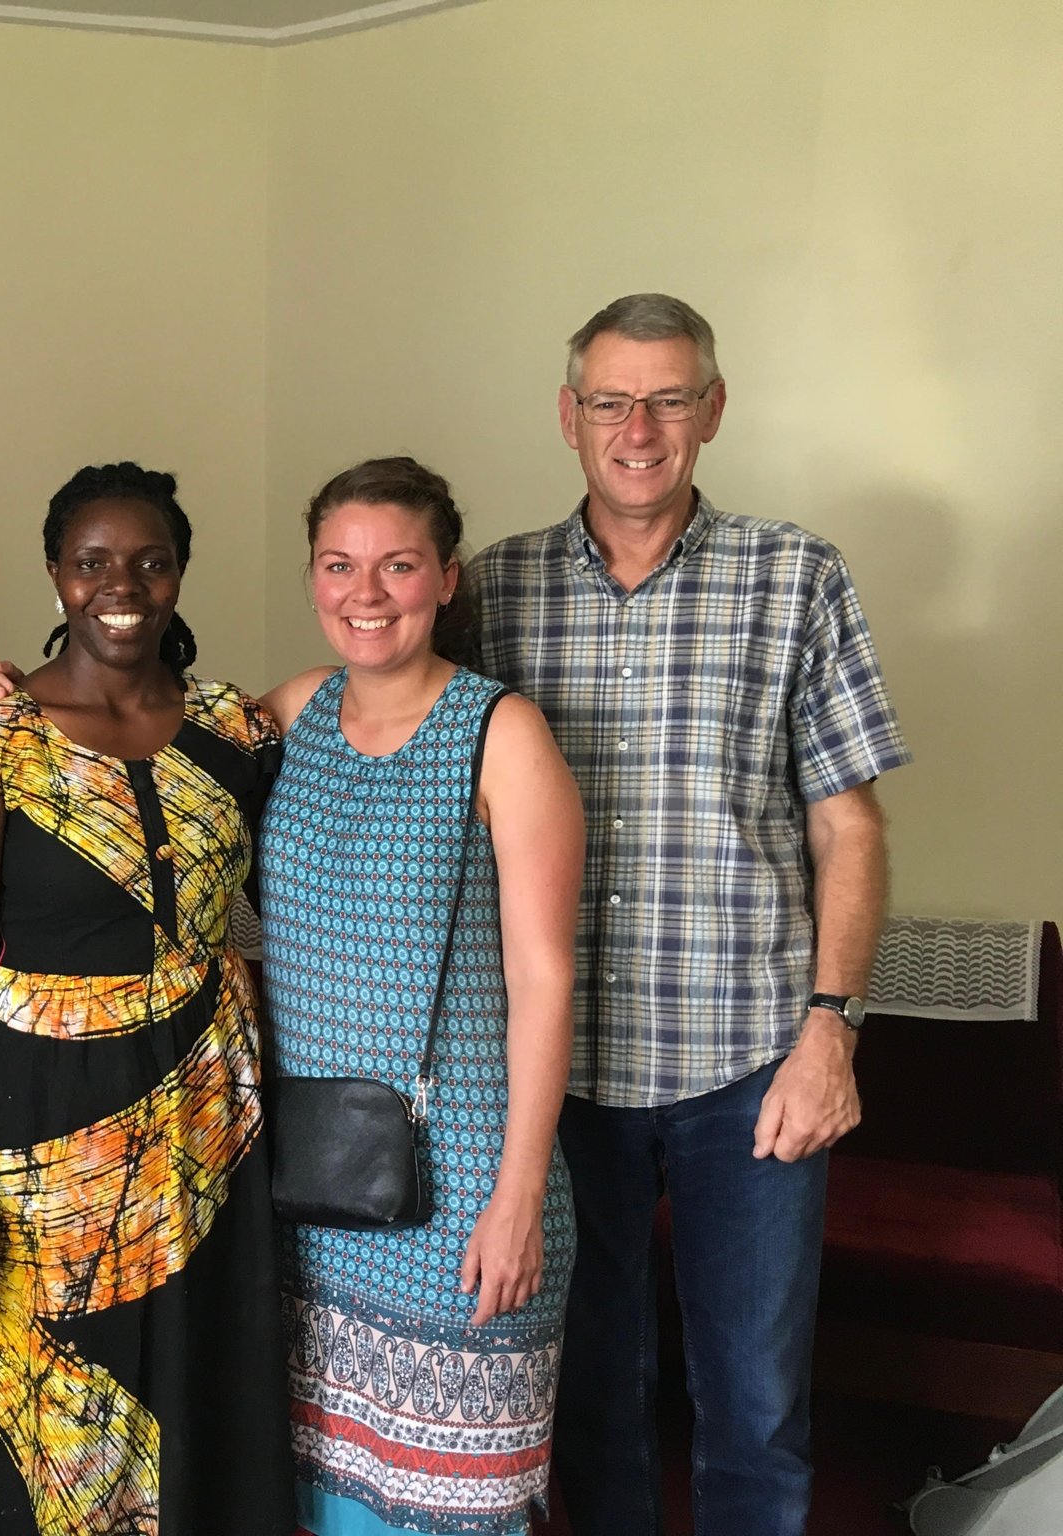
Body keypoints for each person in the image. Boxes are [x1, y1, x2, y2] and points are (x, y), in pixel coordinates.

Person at [471, 293, 911, 1536]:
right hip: (556, 1078)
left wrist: (831, 1029)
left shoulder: (795, 576)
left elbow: (848, 826)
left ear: (710, 412)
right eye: (610, 400)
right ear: (568, 417)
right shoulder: (490, 591)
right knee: (594, 1400)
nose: (638, 428)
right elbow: (365, 712)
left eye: (668, 399)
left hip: (750, 1072)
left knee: (755, 1409)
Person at [0, 464, 295, 1534]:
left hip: (210, 1124)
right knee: (62, 1417)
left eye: (147, 562)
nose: (118, 584)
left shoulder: (232, 729)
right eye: (91, 563)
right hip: (44, 1122)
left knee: (200, 1388)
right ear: (55, 578)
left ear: (179, 576)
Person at [259, 458, 582, 1536]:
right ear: (311, 578)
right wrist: (18, 698)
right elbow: (135, 749)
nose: (365, 592)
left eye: (396, 565)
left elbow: (543, 979)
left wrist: (518, 1197)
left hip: (461, 1186)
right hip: (314, 1184)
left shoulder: (501, 733)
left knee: (455, 1507)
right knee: (321, 1499)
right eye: (339, 565)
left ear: (443, 578)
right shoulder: (291, 712)